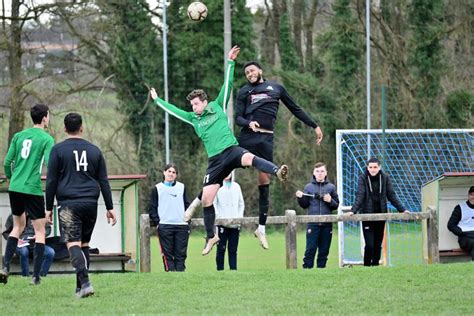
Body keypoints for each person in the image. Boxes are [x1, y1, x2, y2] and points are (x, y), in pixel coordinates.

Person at [150, 45, 288, 256]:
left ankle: (276, 170)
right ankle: (211, 236)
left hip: (231, 150)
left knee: (251, 158)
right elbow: (174, 112)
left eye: (196, 104)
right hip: (215, 161)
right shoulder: (192, 118)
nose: (194, 107)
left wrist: (231, 62)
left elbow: (228, 83)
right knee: (207, 198)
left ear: (205, 102)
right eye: (193, 105)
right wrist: (157, 100)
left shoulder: (218, 105)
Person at [232, 61, 323, 250]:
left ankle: (262, 228)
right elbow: (238, 118)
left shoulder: (276, 88)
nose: (250, 74)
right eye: (247, 72)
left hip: (266, 139)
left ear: (260, 70)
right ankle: (201, 201)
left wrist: (314, 125)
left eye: (252, 70)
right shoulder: (243, 91)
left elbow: (296, 109)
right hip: (248, 137)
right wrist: (248, 123)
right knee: (224, 170)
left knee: (264, 182)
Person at [45, 112, 117, 298]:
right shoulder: (95, 150)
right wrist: (110, 207)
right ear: (82, 128)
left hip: (68, 204)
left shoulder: (58, 150)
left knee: (72, 244)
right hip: (90, 204)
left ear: (64, 128)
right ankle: (80, 288)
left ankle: (85, 283)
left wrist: (48, 208)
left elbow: (51, 181)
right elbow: (104, 181)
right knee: (84, 244)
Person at [1, 104, 54, 285]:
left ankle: (5, 267)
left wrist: (12, 178)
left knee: (18, 226)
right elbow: (49, 163)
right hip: (32, 188)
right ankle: (36, 276)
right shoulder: (46, 139)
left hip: (15, 187)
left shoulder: (18, 136)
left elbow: (8, 162)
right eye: (49, 115)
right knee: (40, 231)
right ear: (45, 118)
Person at [347, 157, 409, 266]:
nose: (373, 169)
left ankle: (375, 266)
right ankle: (367, 266)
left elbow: (391, 195)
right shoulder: (362, 178)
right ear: (367, 167)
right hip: (367, 215)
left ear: (379, 167)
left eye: (375, 167)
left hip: (381, 215)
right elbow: (360, 195)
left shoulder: (385, 178)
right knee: (369, 245)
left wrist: (402, 209)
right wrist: (353, 210)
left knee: (377, 244)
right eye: (370, 167)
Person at [295, 162, 339, 269]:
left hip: (327, 225)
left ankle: (321, 271)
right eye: (317, 171)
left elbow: (336, 205)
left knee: (324, 251)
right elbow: (304, 205)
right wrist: (300, 197)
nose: (320, 173)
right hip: (313, 224)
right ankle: (307, 272)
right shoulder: (308, 187)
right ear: (314, 173)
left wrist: (330, 200)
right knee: (310, 250)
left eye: (322, 171)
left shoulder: (331, 187)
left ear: (326, 173)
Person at [148, 163, 191, 272]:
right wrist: (158, 223)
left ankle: (180, 274)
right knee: (167, 254)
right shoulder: (157, 188)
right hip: (165, 226)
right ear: (164, 172)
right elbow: (152, 208)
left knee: (181, 254)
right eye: (169, 171)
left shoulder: (182, 187)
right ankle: (170, 274)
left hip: (181, 226)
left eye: (174, 172)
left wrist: (187, 219)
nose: (171, 174)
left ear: (176, 175)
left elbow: (187, 205)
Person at [214, 173, 245, 270]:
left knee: (233, 250)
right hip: (221, 224)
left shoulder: (236, 186)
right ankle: (220, 270)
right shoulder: (217, 186)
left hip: (235, 225)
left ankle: (233, 270)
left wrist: (238, 218)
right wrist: (219, 218)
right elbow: (214, 204)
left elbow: (241, 204)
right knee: (221, 249)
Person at [447, 186, 474, 260]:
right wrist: (461, 232)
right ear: (468, 196)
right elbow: (450, 225)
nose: (473, 197)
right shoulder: (460, 208)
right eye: (471, 195)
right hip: (465, 237)